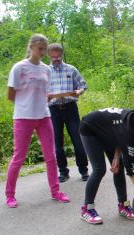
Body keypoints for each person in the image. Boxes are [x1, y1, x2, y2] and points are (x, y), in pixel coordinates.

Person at [5, 34, 70, 208]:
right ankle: (10, 195)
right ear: (32, 47)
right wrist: (26, 106)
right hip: (23, 118)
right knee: (18, 157)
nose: (42, 53)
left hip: (44, 116)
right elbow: (10, 95)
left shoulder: (46, 70)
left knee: (51, 156)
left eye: (44, 50)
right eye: (40, 49)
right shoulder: (19, 67)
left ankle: (55, 191)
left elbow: (44, 93)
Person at [47, 43, 89, 183]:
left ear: (62, 54)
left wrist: (79, 91)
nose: (56, 58)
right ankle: (63, 172)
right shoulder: (45, 72)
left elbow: (83, 85)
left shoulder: (71, 69)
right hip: (54, 110)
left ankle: (84, 171)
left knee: (78, 140)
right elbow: (41, 91)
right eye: (53, 56)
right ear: (49, 56)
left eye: (58, 55)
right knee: (57, 144)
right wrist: (45, 95)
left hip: (70, 108)